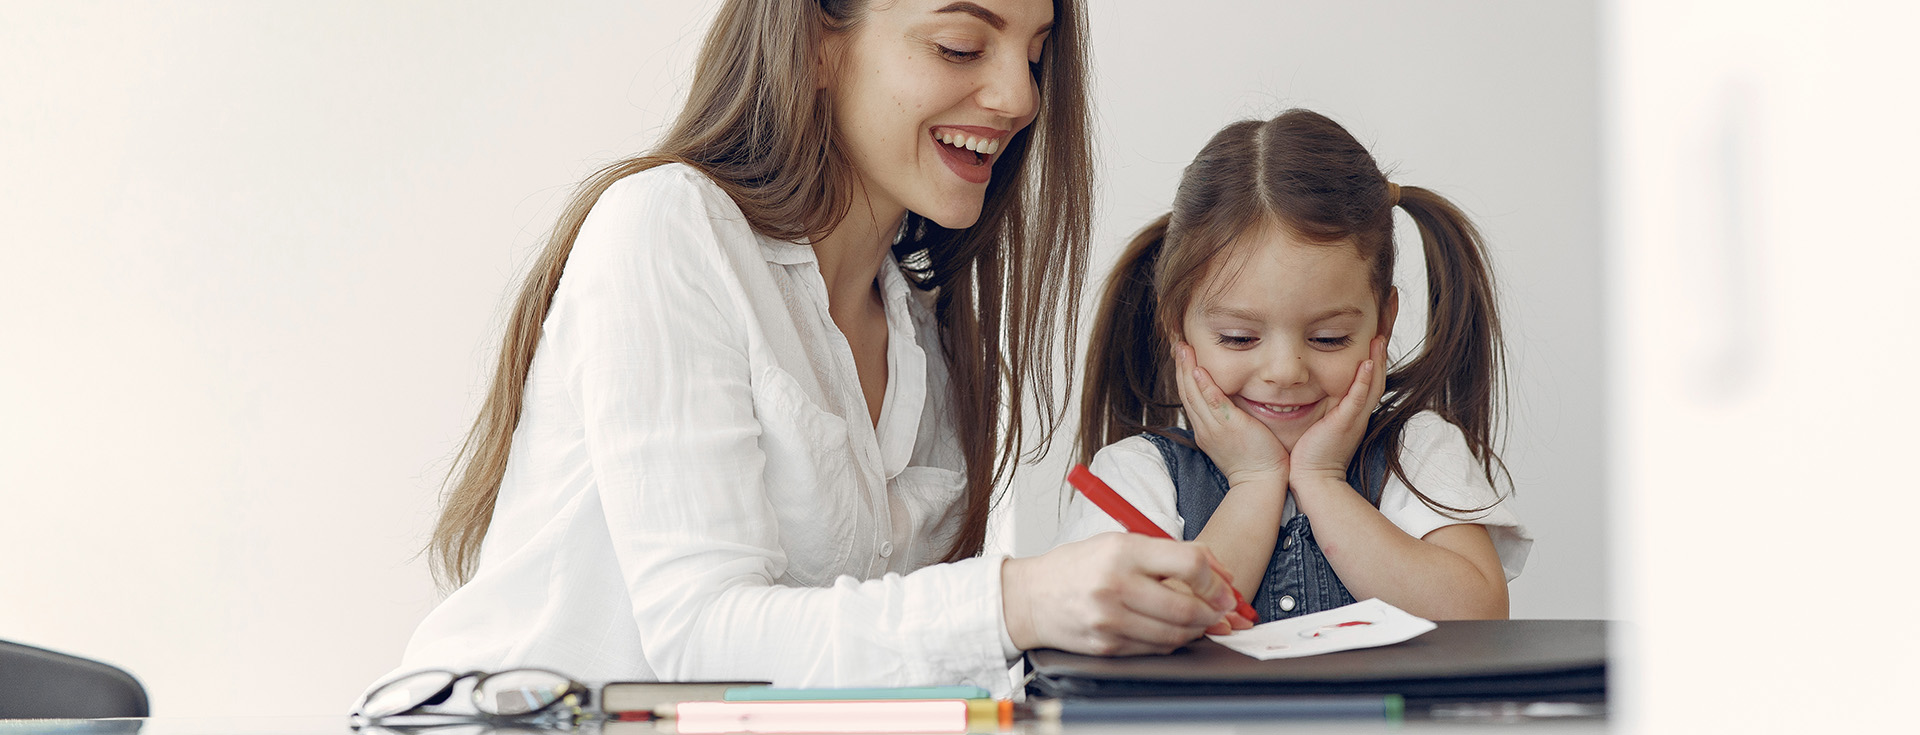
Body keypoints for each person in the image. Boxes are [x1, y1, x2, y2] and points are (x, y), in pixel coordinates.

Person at [377, 0, 1245, 698]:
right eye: (959, 45)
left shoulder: (927, 337)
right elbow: (699, 644)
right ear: (819, 46)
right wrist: (1023, 598)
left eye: (1034, 53)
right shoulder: (670, 227)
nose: (1018, 97)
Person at [1058, 109, 1533, 623]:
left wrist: (1323, 481)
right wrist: (1255, 481)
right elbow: (1141, 626)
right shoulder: (1136, 475)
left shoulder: (1416, 451)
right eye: (1239, 338)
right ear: (1177, 327)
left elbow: (1478, 616)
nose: (1286, 371)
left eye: (1328, 338)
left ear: (1383, 323)